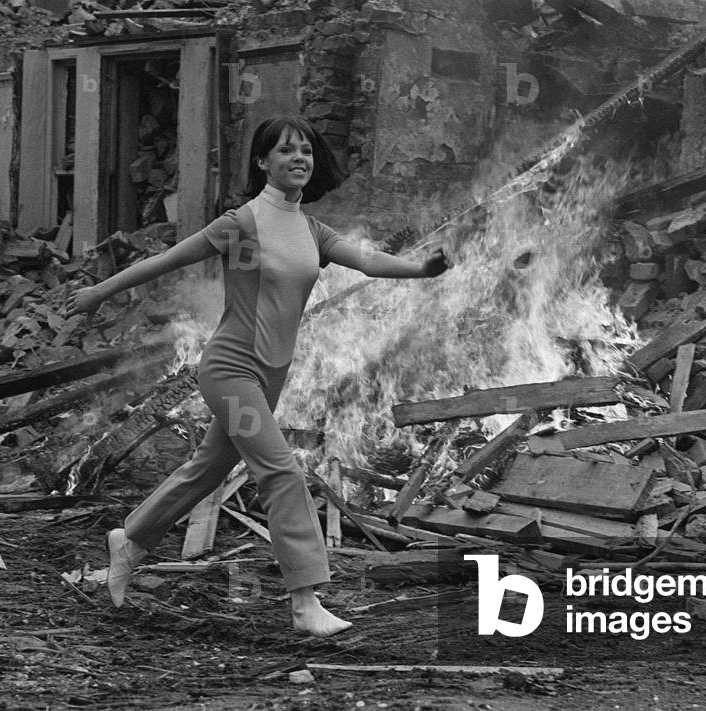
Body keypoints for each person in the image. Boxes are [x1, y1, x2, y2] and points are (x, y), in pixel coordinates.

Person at [65, 116, 448, 637]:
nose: (300, 159)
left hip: (270, 375)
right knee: (281, 470)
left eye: (307, 151)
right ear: (262, 161)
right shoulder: (240, 224)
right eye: (286, 151)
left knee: (205, 469)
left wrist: (421, 270)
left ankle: (129, 544)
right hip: (230, 368)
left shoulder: (313, 231)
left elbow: (367, 259)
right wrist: (98, 292)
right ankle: (305, 601)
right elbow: (166, 261)